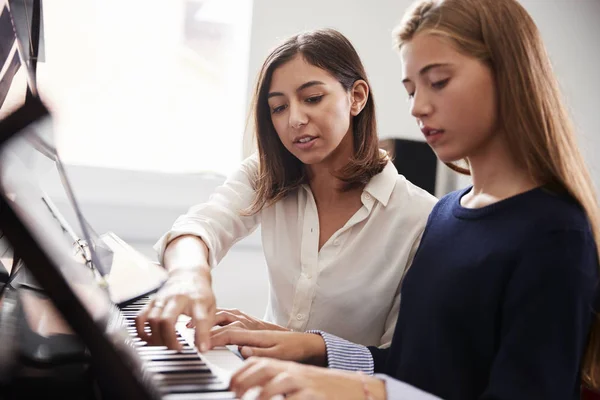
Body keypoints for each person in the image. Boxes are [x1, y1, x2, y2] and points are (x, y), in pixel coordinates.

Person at [208, 0, 600, 399]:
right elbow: (411, 368)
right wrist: (311, 346)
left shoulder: (555, 232)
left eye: (439, 82)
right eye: (411, 89)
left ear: (508, 75)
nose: (417, 107)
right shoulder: (448, 215)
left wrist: (365, 392)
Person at [135, 28, 437, 354]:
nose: (294, 119)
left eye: (312, 99)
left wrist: (301, 347)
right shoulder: (267, 175)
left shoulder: (419, 218)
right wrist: (188, 277)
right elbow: (200, 227)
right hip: (258, 375)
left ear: (357, 97)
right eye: (278, 107)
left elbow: (400, 362)